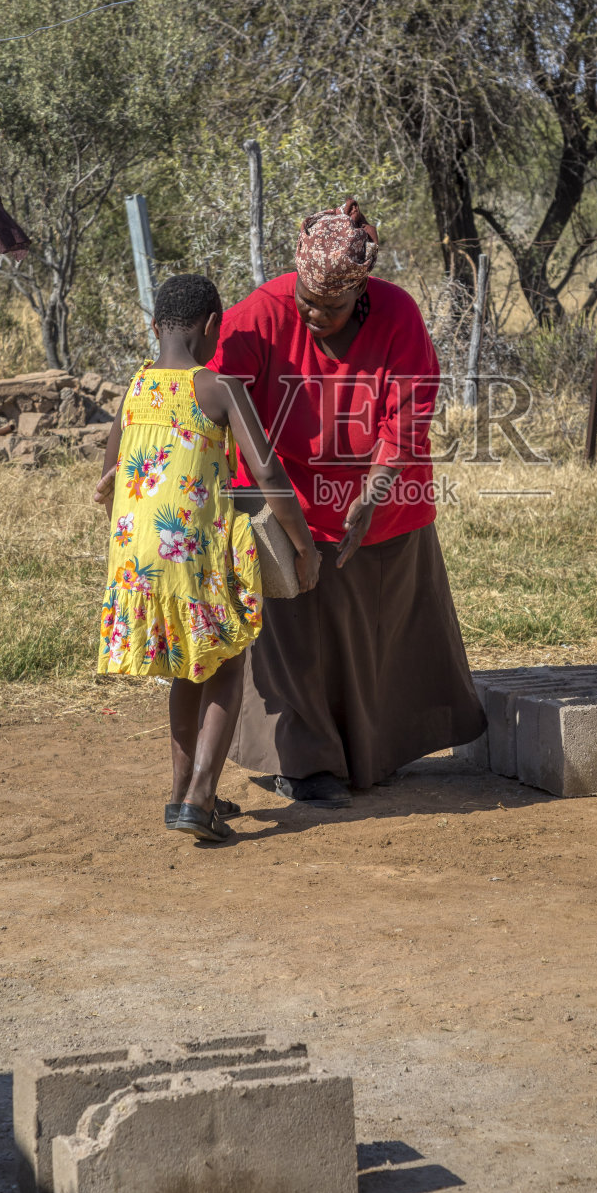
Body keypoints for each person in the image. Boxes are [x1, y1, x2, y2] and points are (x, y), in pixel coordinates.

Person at [211, 197, 486, 806]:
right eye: (306, 302)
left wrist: (372, 494)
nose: (314, 315)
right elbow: (214, 390)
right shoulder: (261, 312)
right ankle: (305, 762)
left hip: (381, 504)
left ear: (361, 291)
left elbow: (408, 416)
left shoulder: (397, 313)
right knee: (293, 641)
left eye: (330, 308)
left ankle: (371, 753)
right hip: (284, 504)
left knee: (377, 633)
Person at [94, 273, 320, 842]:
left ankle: (182, 795)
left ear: (155, 326)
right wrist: (303, 546)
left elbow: (110, 471)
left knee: (185, 665)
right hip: (192, 548)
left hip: (136, 555)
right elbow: (267, 472)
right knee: (226, 663)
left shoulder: (136, 386)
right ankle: (199, 797)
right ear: (214, 325)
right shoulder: (217, 388)